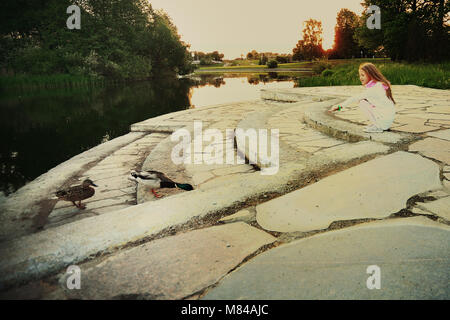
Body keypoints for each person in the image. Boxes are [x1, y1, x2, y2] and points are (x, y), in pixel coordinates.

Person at [329, 63, 396, 133]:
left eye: (363, 75)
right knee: (364, 101)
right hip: (387, 120)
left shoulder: (374, 88)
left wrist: (339, 106)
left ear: (370, 75)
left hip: (384, 122)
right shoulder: (378, 84)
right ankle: (378, 124)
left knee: (362, 102)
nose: (360, 78)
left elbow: (355, 98)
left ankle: (378, 126)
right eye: (360, 75)